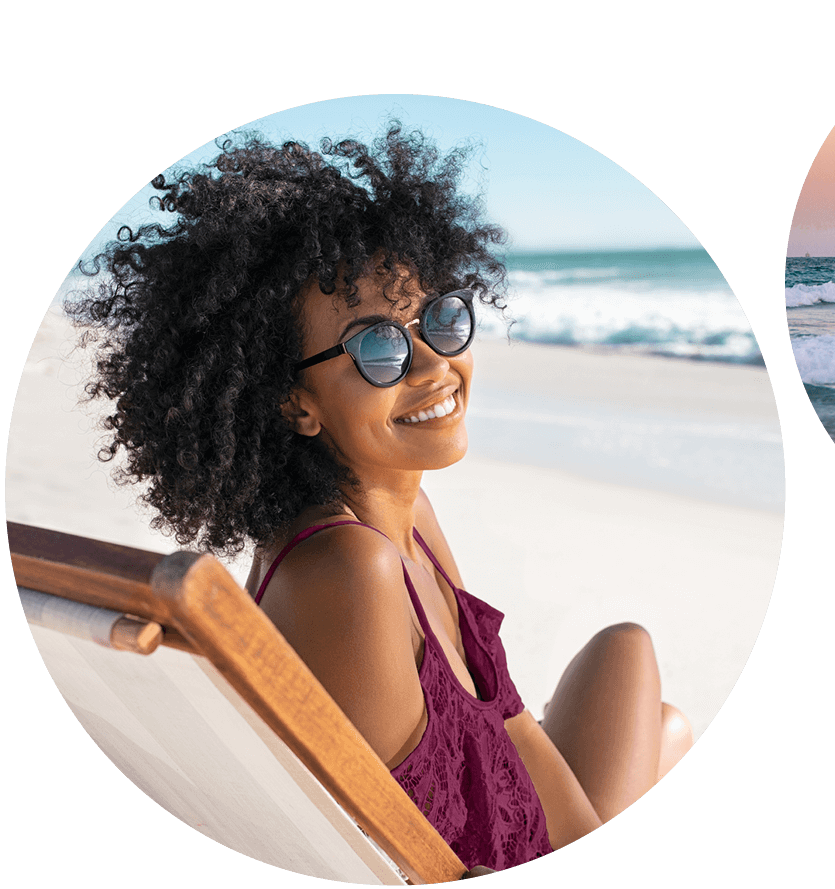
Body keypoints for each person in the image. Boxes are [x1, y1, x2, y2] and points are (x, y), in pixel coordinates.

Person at [67, 123, 692, 873]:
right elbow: (384, 855)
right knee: (666, 729)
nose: (431, 363)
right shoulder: (348, 567)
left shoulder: (405, 516)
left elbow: (512, 723)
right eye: (377, 345)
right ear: (295, 402)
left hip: (511, 803)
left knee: (634, 663)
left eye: (437, 317)